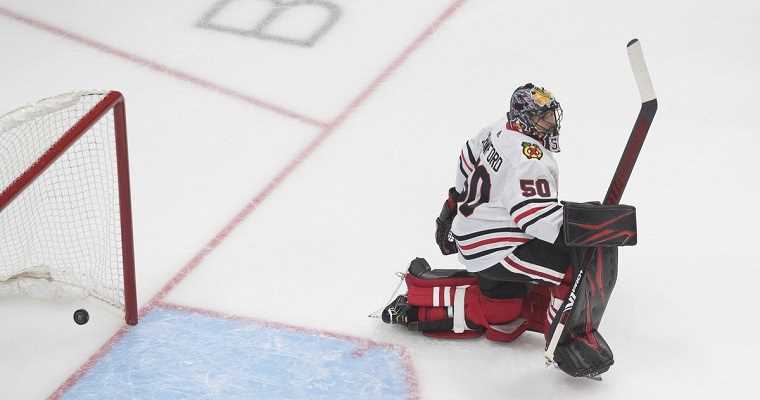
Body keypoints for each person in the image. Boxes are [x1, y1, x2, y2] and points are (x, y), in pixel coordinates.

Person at [380, 83, 573, 343]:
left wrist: (453, 203)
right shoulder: (530, 158)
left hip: (473, 231)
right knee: (572, 266)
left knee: (502, 315)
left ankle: (420, 303)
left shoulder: (500, 128)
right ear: (524, 120)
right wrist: (582, 232)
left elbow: (467, 156)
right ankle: (564, 339)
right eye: (542, 117)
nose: (550, 122)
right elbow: (537, 220)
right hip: (493, 245)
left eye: (551, 114)